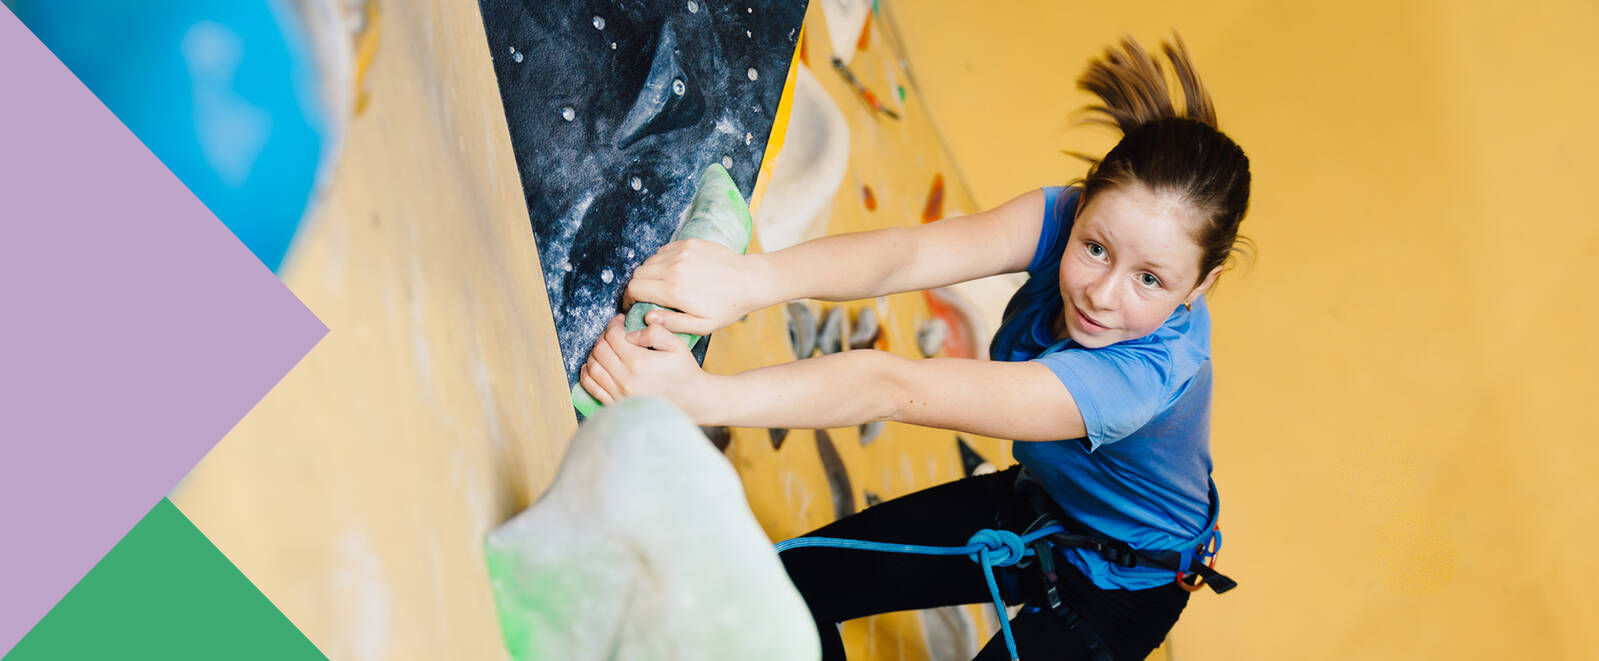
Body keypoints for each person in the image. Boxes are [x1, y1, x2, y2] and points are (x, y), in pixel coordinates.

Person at [578, 33, 1251, 661]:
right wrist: (750, 280)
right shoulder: (1066, 216)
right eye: (1095, 248)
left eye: (1149, 279)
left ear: (1202, 284)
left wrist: (697, 396)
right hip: (1044, 500)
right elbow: (909, 254)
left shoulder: (1134, 381)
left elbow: (892, 387)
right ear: (1085, 207)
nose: (1102, 293)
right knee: (785, 588)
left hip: (1120, 588)